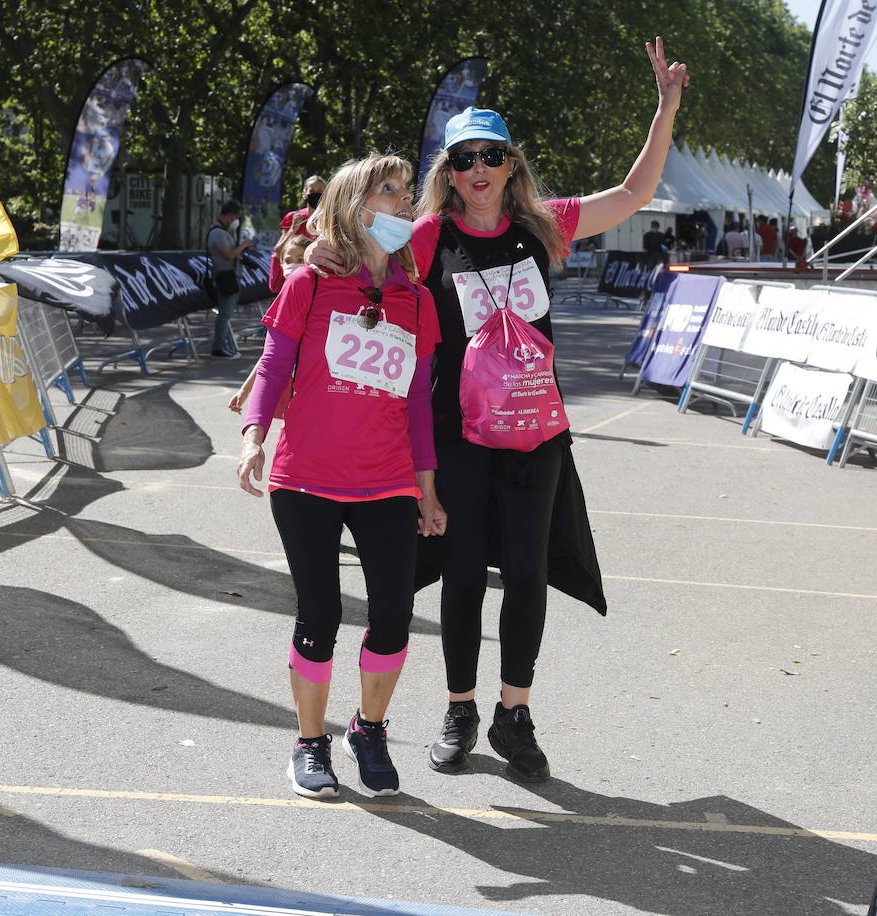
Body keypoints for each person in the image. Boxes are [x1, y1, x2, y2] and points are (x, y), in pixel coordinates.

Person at [308, 37, 687, 783]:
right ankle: (460, 708)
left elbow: (634, 194)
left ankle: (515, 712)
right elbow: (343, 240)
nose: (477, 170)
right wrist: (316, 256)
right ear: (447, 173)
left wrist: (665, 108)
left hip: (535, 433)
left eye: (490, 156)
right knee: (460, 576)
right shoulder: (424, 234)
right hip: (458, 436)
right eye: (463, 159)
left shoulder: (543, 225)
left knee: (526, 570)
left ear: (511, 165)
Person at [237, 154, 447, 799]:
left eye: (408, 192)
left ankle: (368, 729)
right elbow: (273, 367)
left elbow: (416, 402)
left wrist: (428, 489)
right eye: (391, 191)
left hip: (386, 480)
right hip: (306, 478)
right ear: (356, 207)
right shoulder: (308, 283)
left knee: (393, 613)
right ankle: (309, 743)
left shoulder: (415, 299)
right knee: (319, 610)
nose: (406, 203)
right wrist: (254, 439)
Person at [230, 235, 310, 413]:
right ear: (280, 264)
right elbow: (270, 355)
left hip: (312, 386)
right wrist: (245, 390)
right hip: (290, 384)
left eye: (300, 259)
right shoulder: (284, 300)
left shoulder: (316, 298)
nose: (293, 264)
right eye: (288, 260)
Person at [207, 200, 254, 357]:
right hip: (225, 279)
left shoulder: (224, 232)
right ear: (230, 215)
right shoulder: (217, 233)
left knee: (226, 314)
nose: (236, 221)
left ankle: (222, 344)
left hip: (230, 277)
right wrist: (243, 245)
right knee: (224, 314)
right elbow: (229, 254)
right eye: (236, 217)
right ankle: (218, 346)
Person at [270, 176, 326, 291]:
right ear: (304, 193)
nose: (316, 195)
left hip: (318, 282)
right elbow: (279, 250)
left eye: (320, 192)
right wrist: (292, 230)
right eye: (312, 191)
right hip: (292, 282)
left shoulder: (331, 220)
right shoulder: (293, 217)